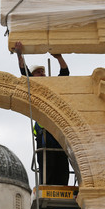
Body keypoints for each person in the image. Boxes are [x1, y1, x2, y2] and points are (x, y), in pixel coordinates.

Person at [14, 41, 70, 186]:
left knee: (62, 165)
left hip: (59, 133)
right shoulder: (34, 89)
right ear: (33, 76)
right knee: (48, 166)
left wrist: (59, 58)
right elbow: (23, 72)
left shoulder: (53, 90)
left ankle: (63, 187)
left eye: (43, 71)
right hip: (45, 135)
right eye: (38, 72)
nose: (43, 74)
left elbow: (65, 74)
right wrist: (20, 54)